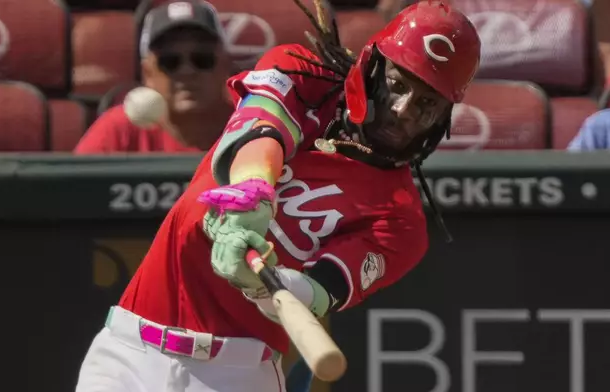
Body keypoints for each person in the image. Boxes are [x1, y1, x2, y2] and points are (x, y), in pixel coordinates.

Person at [74, 1, 481, 391]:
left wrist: (262, 284)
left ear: (444, 117)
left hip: (235, 374)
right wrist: (253, 192)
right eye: (396, 84)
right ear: (372, 67)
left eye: (427, 103)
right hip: (129, 345)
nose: (404, 109)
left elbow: (318, 291)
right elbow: (260, 129)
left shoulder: (401, 223)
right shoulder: (303, 72)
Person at [74, 0, 233, 154]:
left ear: (225, 65)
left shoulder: (250, 124)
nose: (187, 71)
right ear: (148, 73)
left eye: (202, 59)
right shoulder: (120, 130)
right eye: (170, 62)